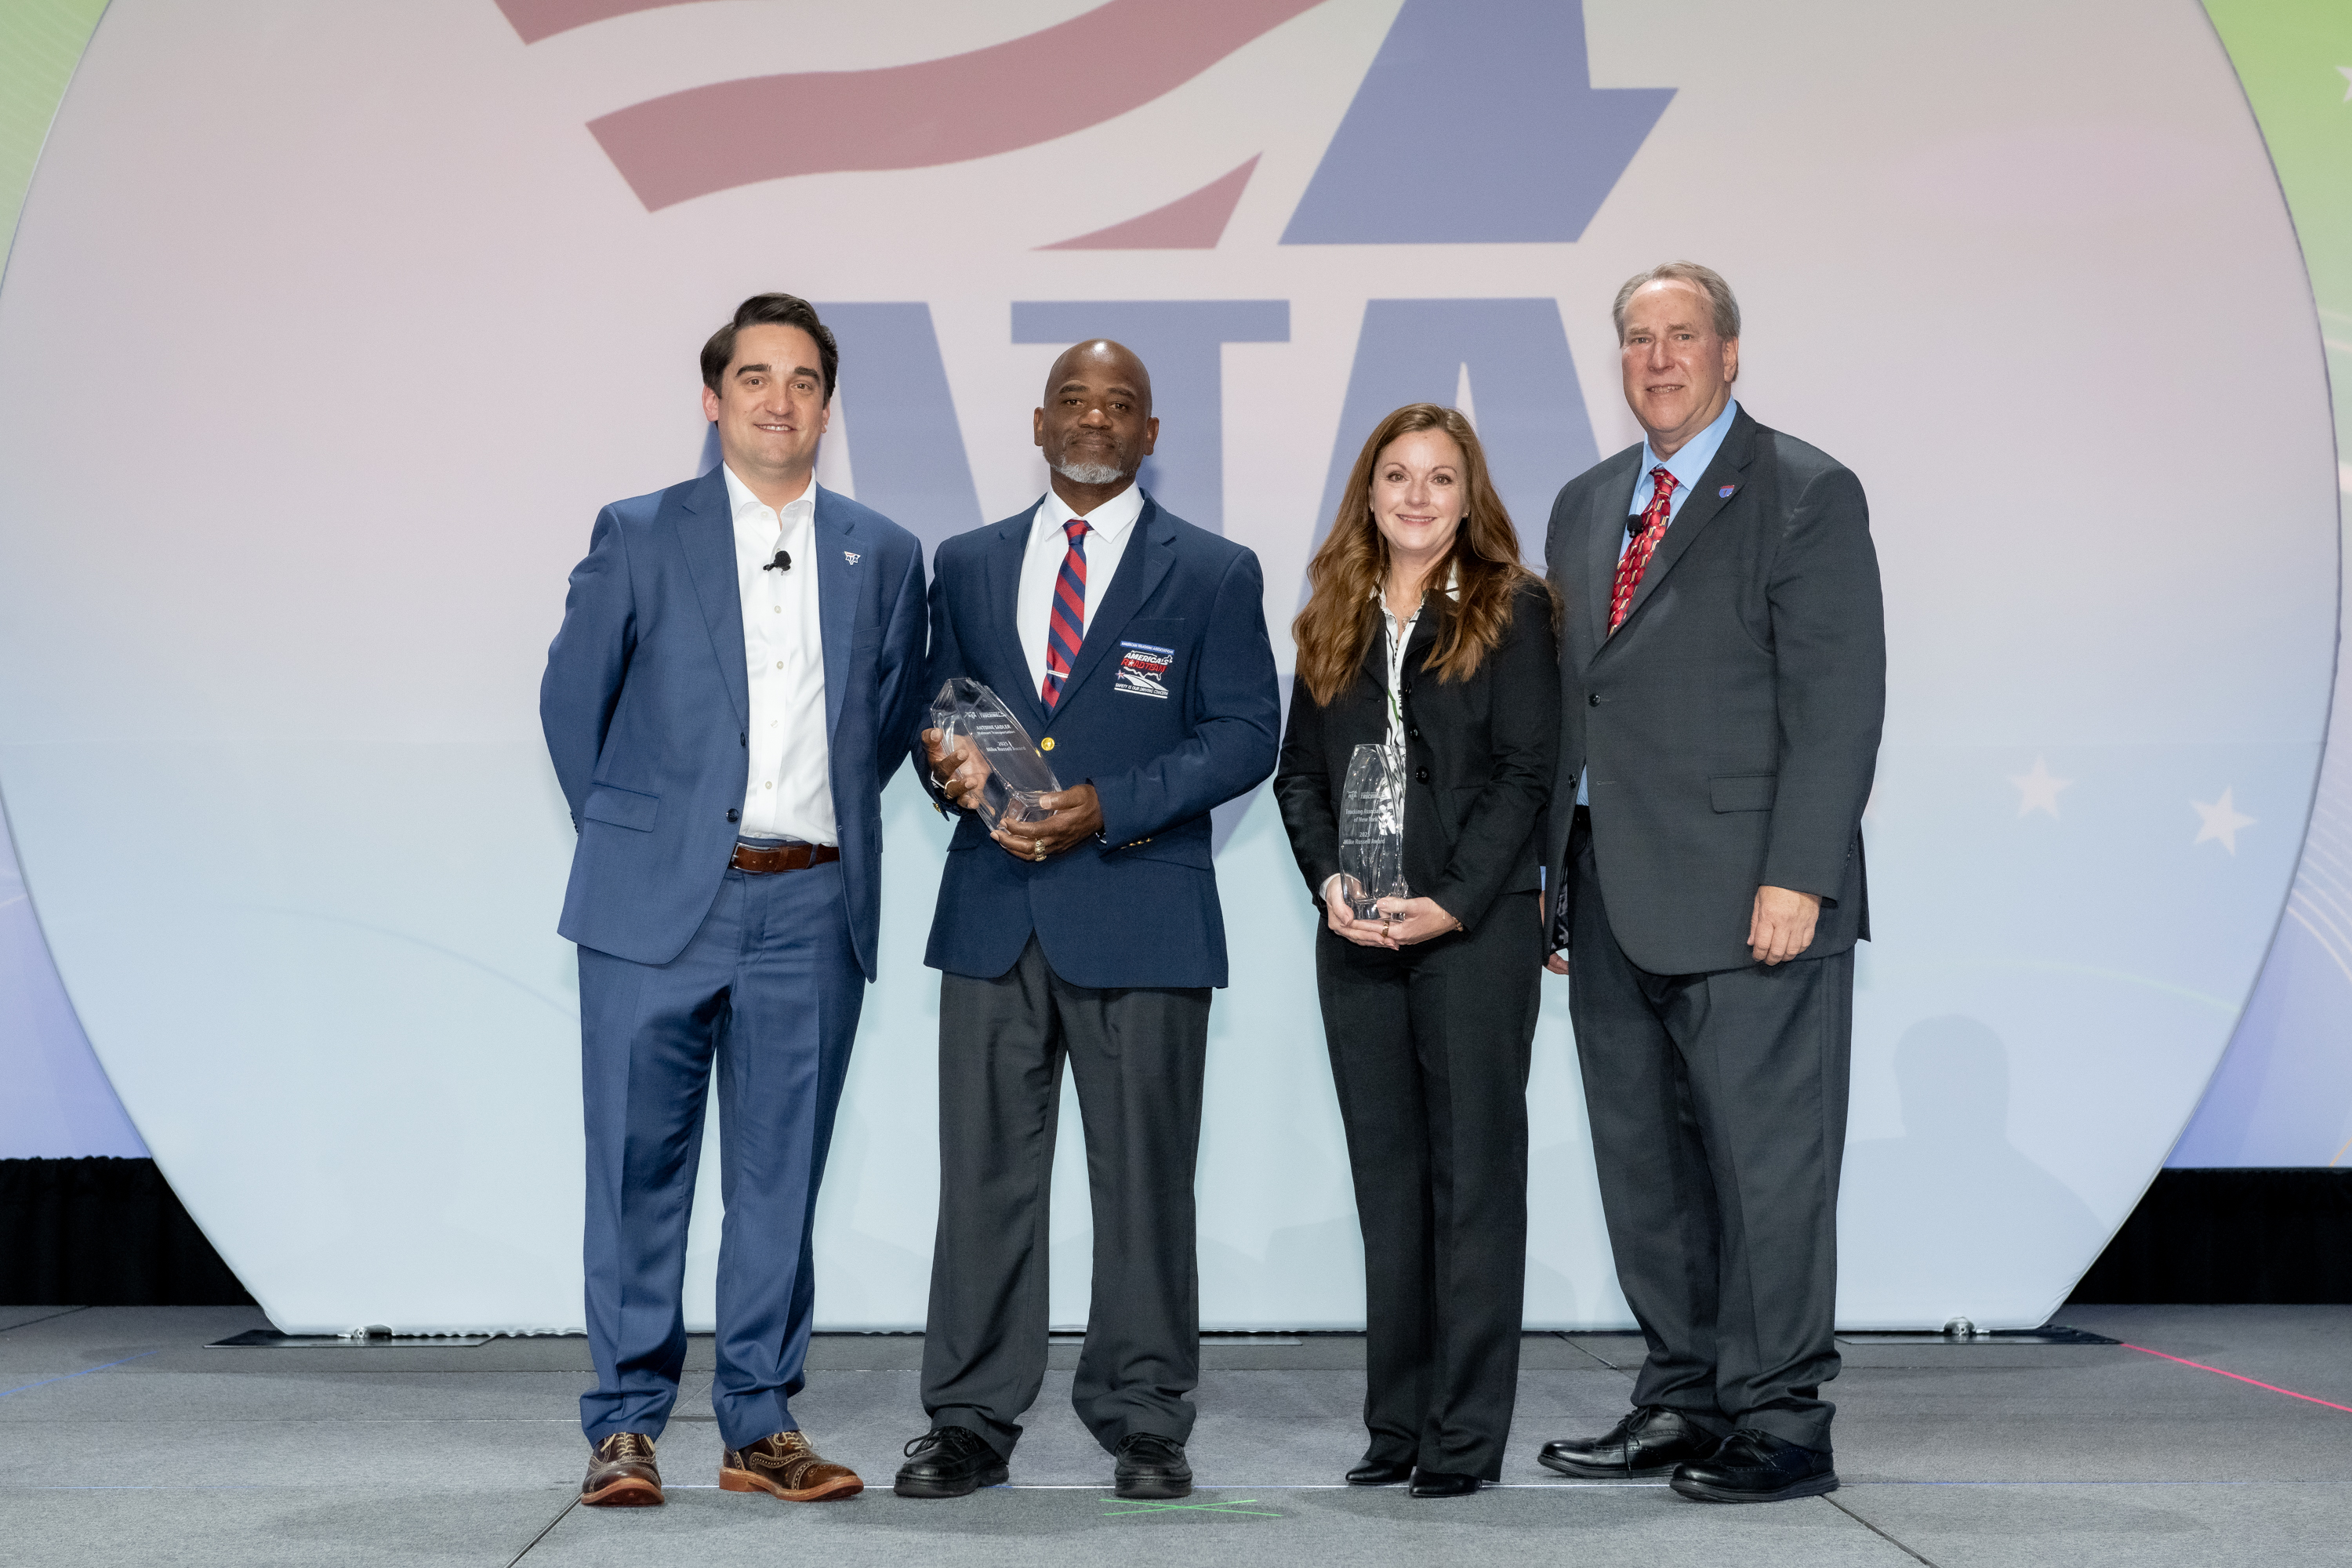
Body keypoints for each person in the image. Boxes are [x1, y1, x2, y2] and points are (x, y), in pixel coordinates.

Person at [540, 293, 927, 1508]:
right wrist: (647, 834)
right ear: (713, 401)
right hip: (658, 905)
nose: (778, 399)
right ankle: (627, 1424)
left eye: (803, 379)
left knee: (778, 1178)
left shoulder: (884, 550)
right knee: (636, 1167)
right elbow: (571, 709)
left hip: (809, 905)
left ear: (827, 403)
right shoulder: (640, 531)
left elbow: (881, 726)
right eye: (754, 377)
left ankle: (760, 1420)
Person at [894, 339, 1280, 1503]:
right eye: (1075, 399)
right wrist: (947, 769)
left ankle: (1146, 1418)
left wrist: (1110, 807)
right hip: (992, 914)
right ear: (1038, 419)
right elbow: (937, 710)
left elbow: (1245, 735)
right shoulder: (964, 564)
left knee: (1147, 1182)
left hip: (1143, 911)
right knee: (983, 1182)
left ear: (1153, 434)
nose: (1096, 419)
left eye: (1122, 405)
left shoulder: (1214, 571)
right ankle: (968, 1420)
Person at [1536, 263, 1884, 1502]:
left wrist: (1801, 875)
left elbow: (1838, 707)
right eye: (1638, 339)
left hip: (1754, 899)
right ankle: (1682, 1397)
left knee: (1768, 1169)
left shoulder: (1802, 490)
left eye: (1683, 336)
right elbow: (1576, 703)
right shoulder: (1585, 504)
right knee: (1649, 1170)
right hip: (1610, 894)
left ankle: (1784, 1418)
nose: (1660, 357)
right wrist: (1552, 882)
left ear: (1731, 353)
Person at [1272, 405, 1559, 1497]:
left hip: (1469, 937)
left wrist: (1452, 901)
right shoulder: (1334, 614)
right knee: (1389, 1186)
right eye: (1397, 475)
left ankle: (1463, 1435)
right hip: (1356, 937)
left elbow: (1527, 775)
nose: (1417, 496)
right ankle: (1396, 1426)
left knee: (1474, 1182)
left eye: (1442, 478)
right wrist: (1329, 881)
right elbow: (1299, 774)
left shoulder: (1514, 608)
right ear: (1369, 492)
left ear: (1469, 494)